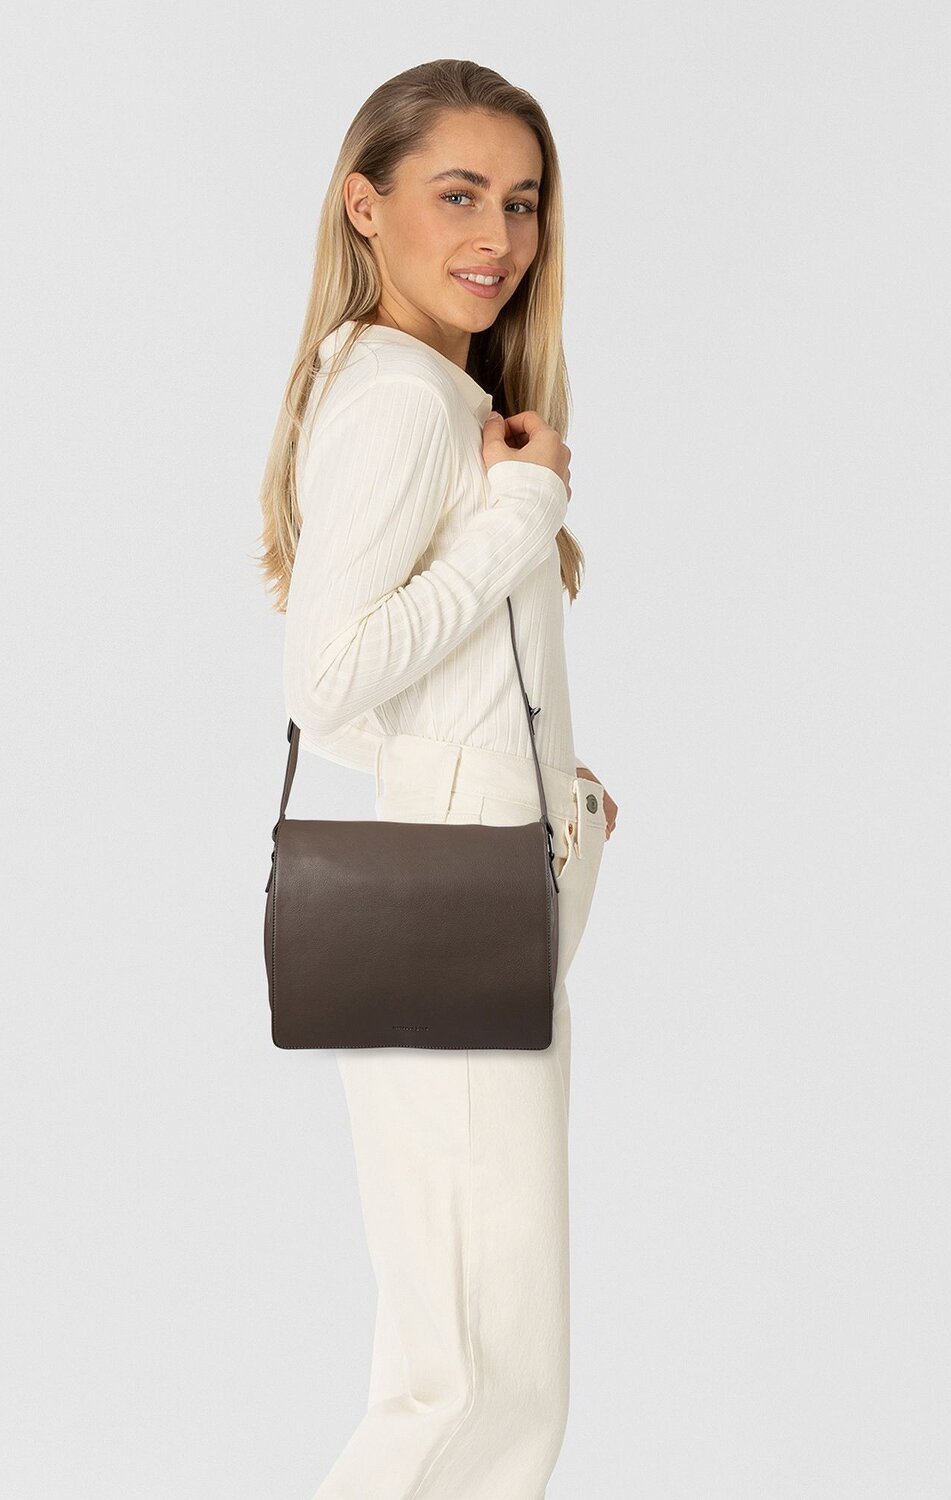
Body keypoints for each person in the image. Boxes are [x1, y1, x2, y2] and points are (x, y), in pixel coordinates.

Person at [255, 58, 618, 1500]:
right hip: (457, 906)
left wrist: (546, 784)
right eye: (457, 195)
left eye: (521, 203)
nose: (498, 237)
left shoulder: (413, 383)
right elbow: (330, 677)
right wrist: (522, 509)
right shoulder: (404, 401)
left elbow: (390, 696)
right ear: (366, 205)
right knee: (473, 1382)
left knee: (474, 1363)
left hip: (480, 881)